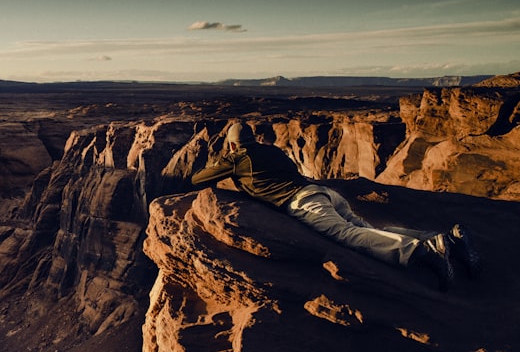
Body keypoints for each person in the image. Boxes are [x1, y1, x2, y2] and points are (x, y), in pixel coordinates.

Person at [173, 121, 480, 290]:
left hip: (305, 203)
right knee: (368, 230)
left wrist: (224, 160)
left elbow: (198, 179)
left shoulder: (237, 158)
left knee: (348, 237)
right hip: (325, 194)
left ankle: (422, 253)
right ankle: (444, 240)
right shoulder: (274, 151)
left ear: (231, 143)